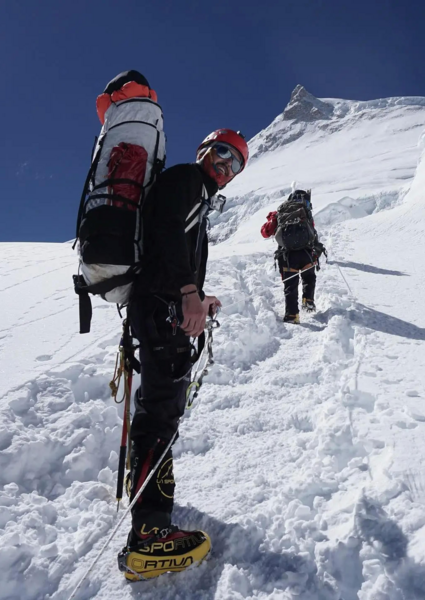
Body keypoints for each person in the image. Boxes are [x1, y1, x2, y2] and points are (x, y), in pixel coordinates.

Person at [118, 129, 249, 580]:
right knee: (160, 415)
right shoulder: (187, 181)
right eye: (222, 153)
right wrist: (188, 291)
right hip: (162, 309)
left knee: (158, 411)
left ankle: (146, 505)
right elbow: (166, 229)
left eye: (235, 164)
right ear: (204, 152)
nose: (226, 165)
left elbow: (169, 250)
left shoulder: (196, 194)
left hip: (160, 306)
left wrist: (197, 295)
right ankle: (149, 535)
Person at [261, 189, 325, 323]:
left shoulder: (280, 213)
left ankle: (292, 315)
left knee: (290, 285)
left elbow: (265, 232)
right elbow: (312, 233)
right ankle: (308, 299)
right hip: (306, 253)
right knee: (309, 277)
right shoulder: (305, 213)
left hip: (287, 255)